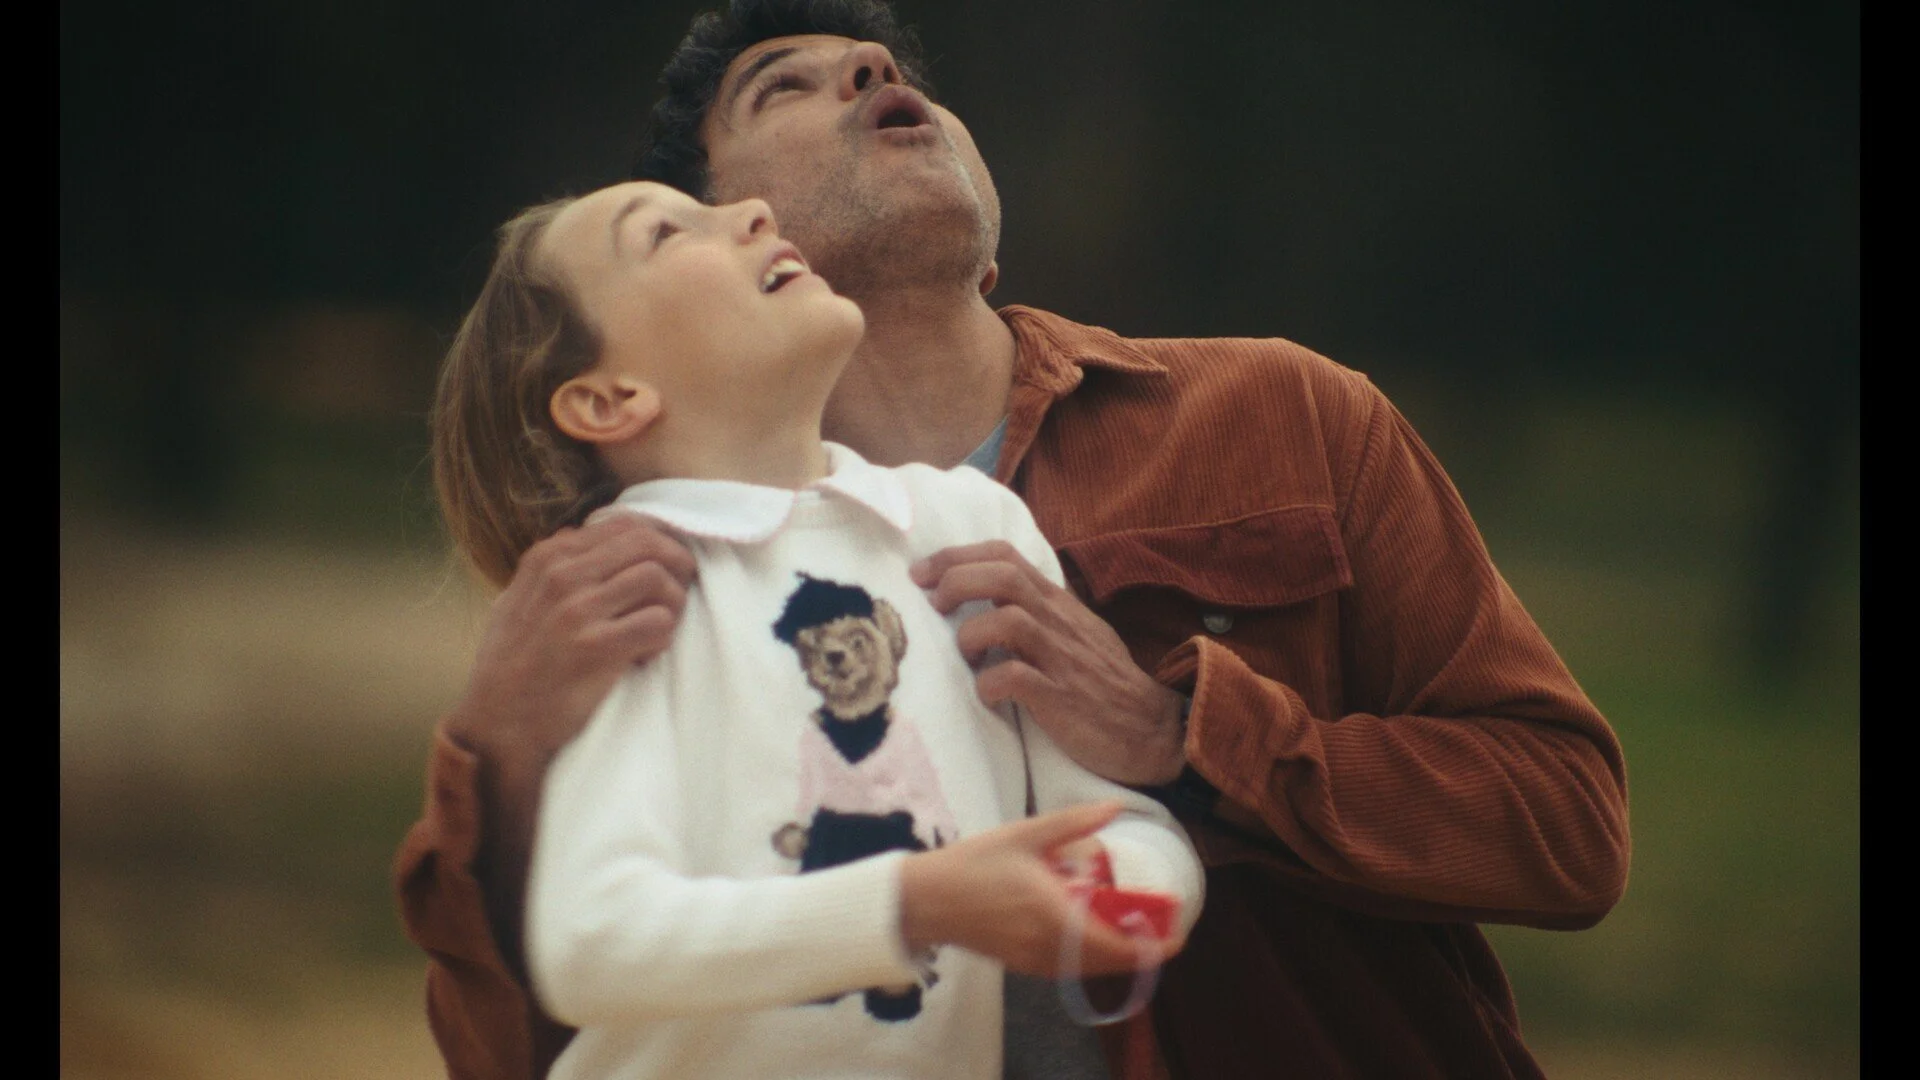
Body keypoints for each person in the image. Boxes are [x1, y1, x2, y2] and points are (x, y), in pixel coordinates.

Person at [394, 2, 1632, 1077]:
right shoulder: (642, 576)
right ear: (725, 221)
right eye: (787, 85)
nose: (877, 77)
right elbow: (515, 1047)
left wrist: (1182, 743)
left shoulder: (1290, 415)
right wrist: (498, 754)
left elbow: (1571, 832)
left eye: (885, 64)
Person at [427, 178, 1205, 1080]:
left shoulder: (972, 524)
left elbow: (1120, 825)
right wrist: (916, 905)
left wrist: (1120, 893)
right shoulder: (624, 585)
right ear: (609, 398)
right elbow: (590, 942)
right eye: (667, 234)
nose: (755, 213)